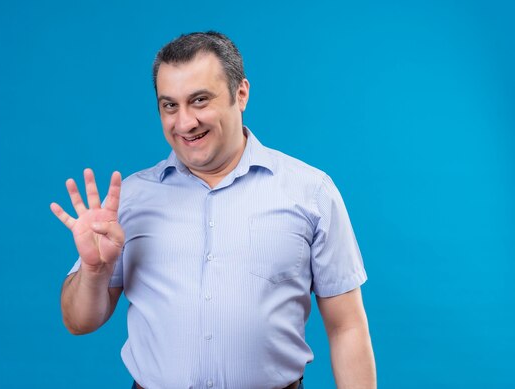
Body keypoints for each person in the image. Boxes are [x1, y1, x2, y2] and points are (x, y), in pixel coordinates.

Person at [51, 31, 376, 389]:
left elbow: (347, 327)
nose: (185, 122)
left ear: (241, 94)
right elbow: (78, 322)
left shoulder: (311, 192)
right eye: (169, 105)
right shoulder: (130, 199)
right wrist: (95, 271)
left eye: (200, 100)